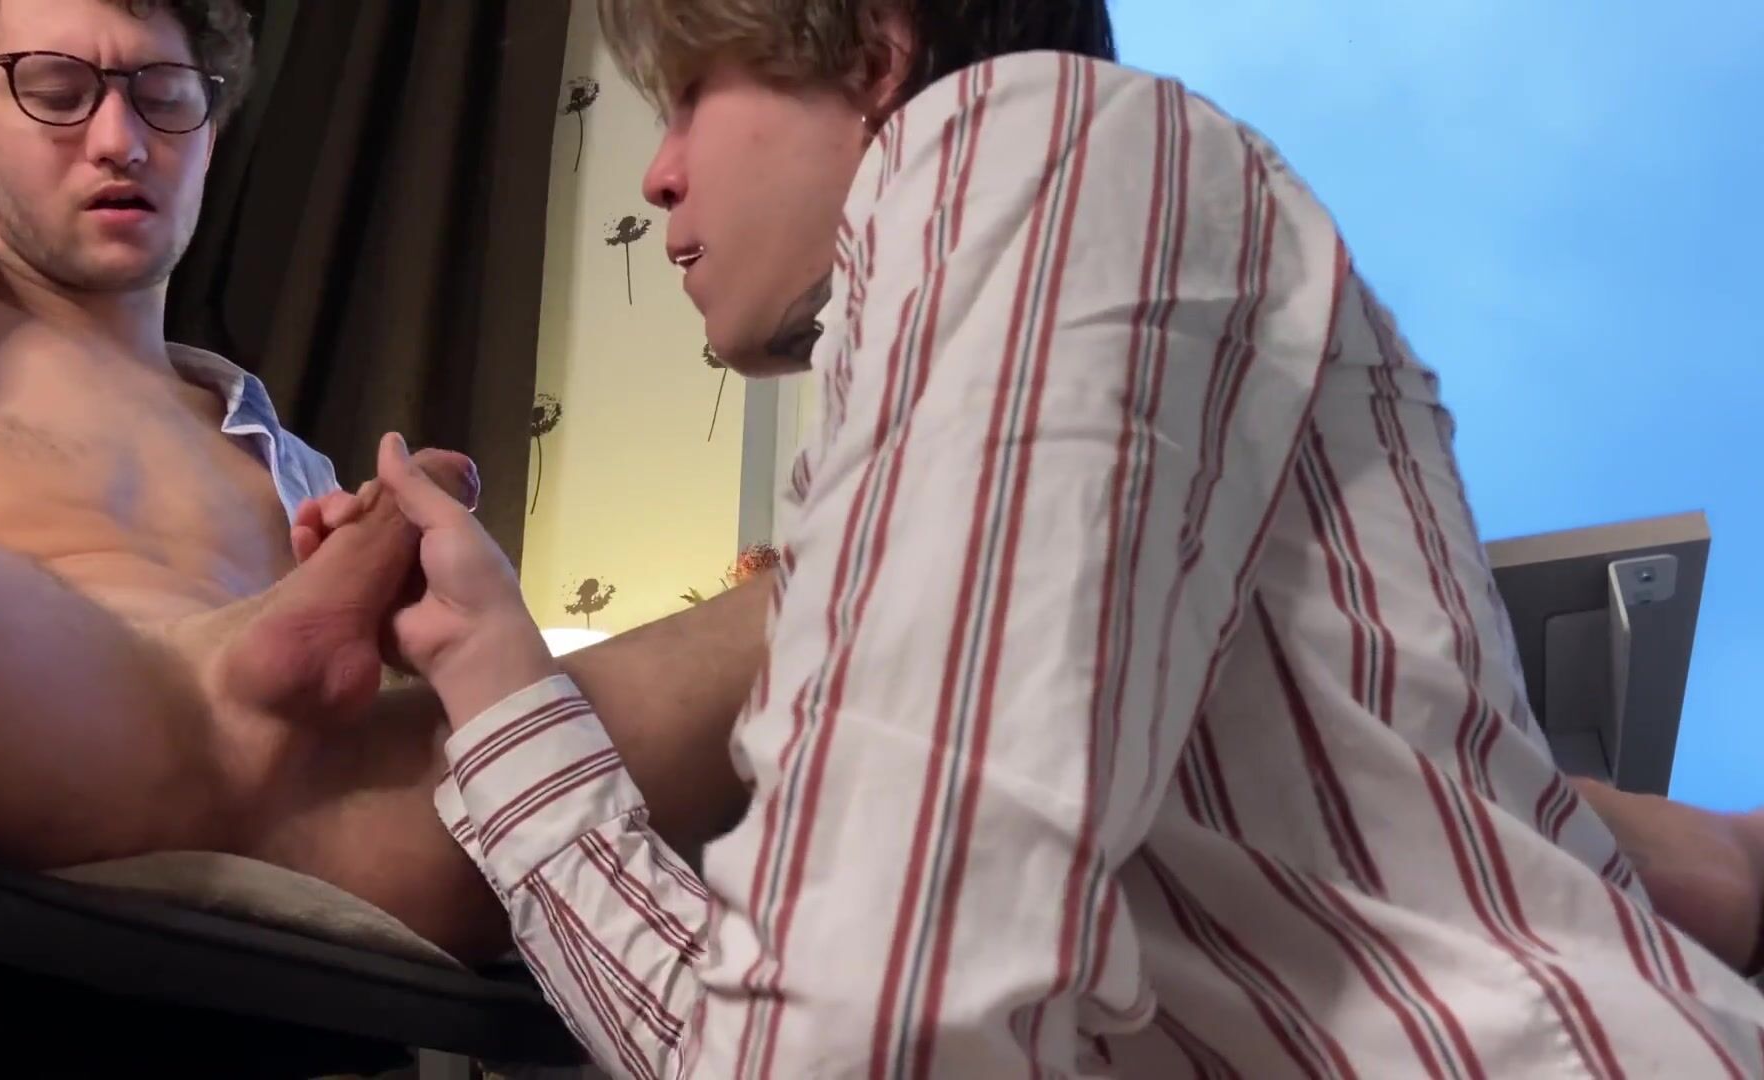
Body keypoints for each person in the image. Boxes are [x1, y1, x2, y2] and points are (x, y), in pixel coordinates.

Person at [347, 0, 1764, 1074]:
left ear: (873, 51)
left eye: (692, 94)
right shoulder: (972, 431)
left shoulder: (1036, 140)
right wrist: (498, 687)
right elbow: (802, 1018)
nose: (656, 175)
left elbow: (846, 1032)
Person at [0, 0, 765, 962]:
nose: (120, 141)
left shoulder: (289, 469)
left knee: (811, 605)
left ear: (211, 130)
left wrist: (452, 646)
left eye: (166, 98)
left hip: (330, 808)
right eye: (57, 92)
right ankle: (222, 717)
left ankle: (250, 734)